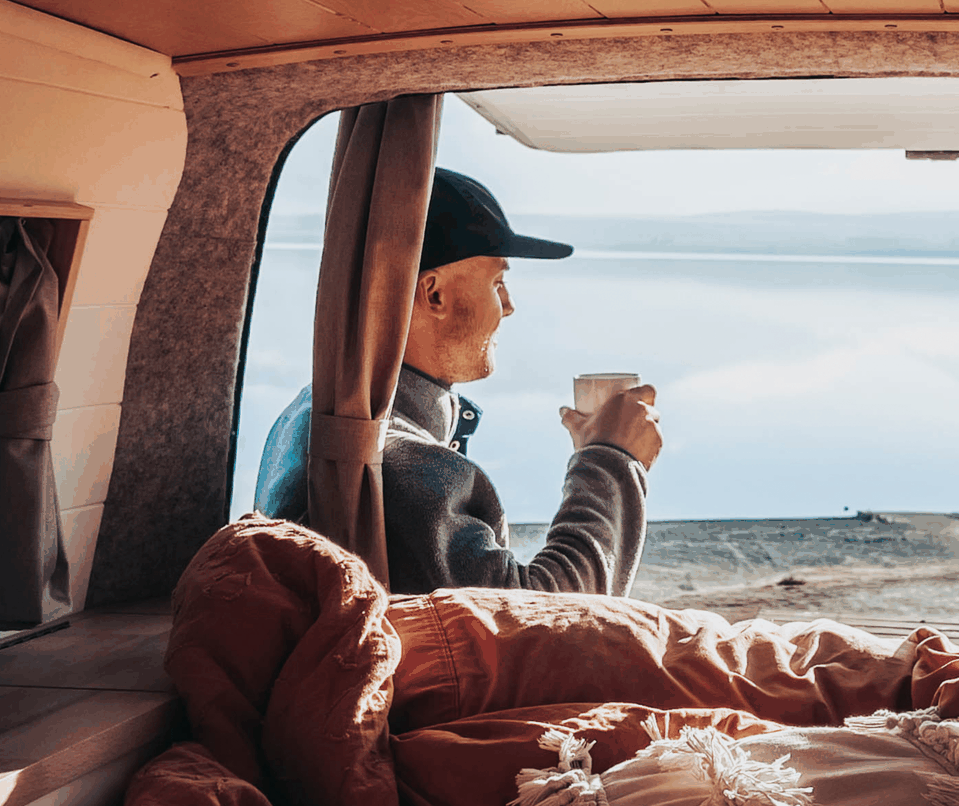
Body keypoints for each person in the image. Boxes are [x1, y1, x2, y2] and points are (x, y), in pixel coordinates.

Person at [254, 168, 661, 595]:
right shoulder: (400, 464)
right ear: (434, 295)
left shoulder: (308, 412)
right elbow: (548, 619)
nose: (508, 306)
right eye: (497, 282)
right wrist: (611, 459)